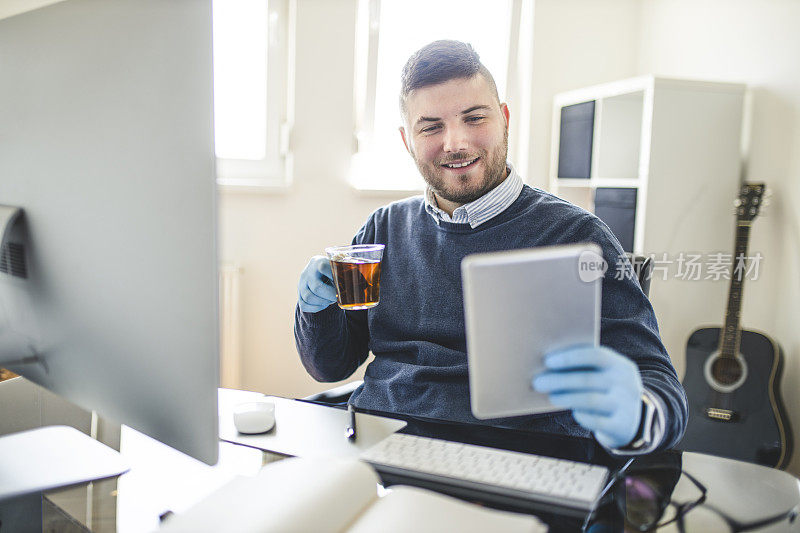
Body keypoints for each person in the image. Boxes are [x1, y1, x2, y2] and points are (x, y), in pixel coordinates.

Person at [295, 40, 687, 453]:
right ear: (407, 140)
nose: (456, 143)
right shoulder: (383, 228)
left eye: (474, 118)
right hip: (379, 448)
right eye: (431, 127)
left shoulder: (577, 237)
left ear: (503, 119)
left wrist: (635, 415)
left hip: (516, 460)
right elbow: (330, 367)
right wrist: (314, 309)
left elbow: (661, 386)